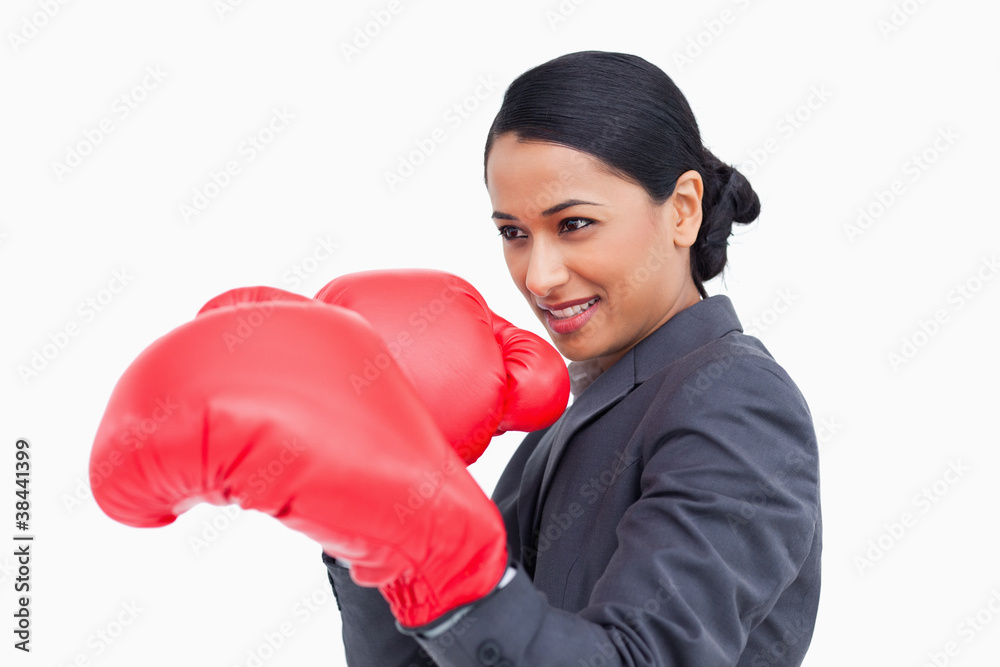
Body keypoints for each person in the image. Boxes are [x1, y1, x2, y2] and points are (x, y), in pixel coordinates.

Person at [322, 50, 822, 666]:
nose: (540, 275)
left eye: (575, 223)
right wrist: (376, 510)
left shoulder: (736, 399)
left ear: (683, 210)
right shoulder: (565, 424)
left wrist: (436, 550)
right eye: (514, 233)